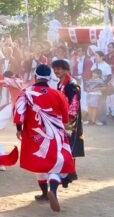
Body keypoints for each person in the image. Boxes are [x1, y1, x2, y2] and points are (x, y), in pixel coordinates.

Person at [14, 64, 74, 213]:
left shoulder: (26, 93)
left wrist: (19, 129)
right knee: (58, 163)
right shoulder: (57, 94)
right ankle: (53, 189)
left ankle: (43, 193)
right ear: (49, 78)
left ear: (35, 77)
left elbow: (18, 111)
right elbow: (66, 117)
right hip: (55, 133)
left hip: (34, 134)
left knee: (40, 163)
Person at [51, 59, 82, 184]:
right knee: (64, 144)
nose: (56, 71)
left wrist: (68, 120)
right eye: (55, 69)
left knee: (70, 144)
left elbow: (74, 105)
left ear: (66, 70)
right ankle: (66, 171)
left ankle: (70, 172)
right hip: (61, 118)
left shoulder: (72, 85)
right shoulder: (61, 83)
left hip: (70, 119)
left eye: (59, 68)